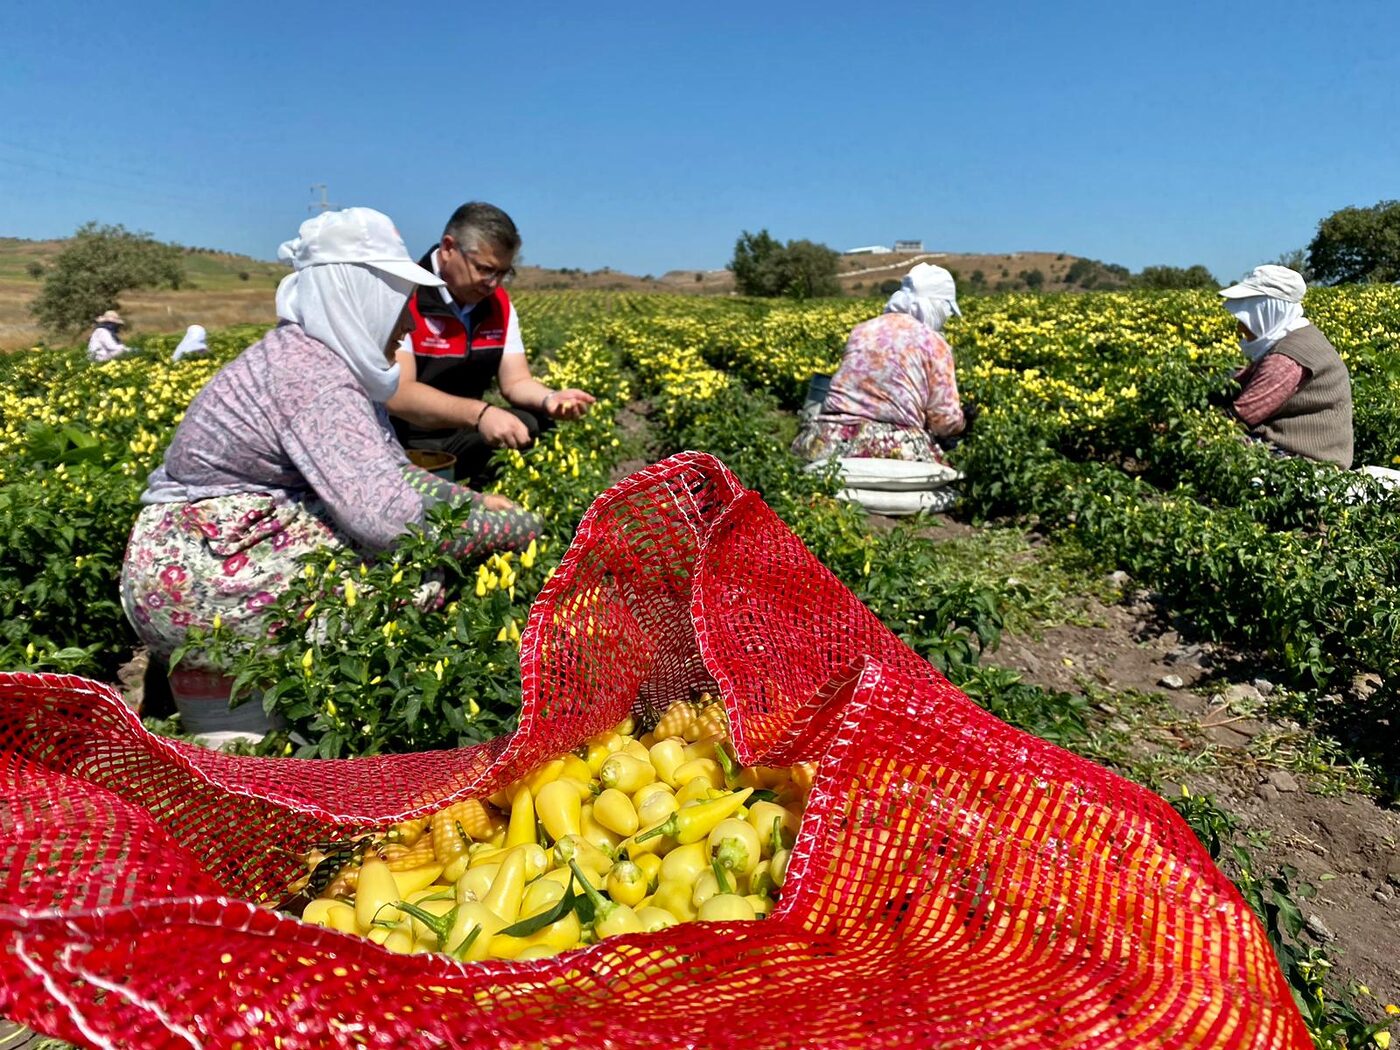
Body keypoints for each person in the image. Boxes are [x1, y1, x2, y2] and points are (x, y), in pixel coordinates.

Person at [120, 207, 542, 726]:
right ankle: (319, 717)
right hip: (197, 578)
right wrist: (506, 527)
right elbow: (389, 518)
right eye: (400, 306)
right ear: (360, 299)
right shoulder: (313, 377)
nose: (409, 325)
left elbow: (386, 469)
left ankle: (215, 696)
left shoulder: (316, 358)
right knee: (413, 570)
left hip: (201, 557)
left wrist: (475, 503)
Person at [387, 201, 596, 486]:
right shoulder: (404, 293)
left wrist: (551, 399)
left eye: (503, 272)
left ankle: (492, 498)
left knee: (534, 424)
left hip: (460, 430)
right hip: (406, 435)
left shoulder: (498, 305)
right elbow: (399, 394)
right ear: (448, 248)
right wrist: (480, 414)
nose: (493, 284)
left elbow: (516, 381)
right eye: (485, 269)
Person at [792, 262, 969, 464]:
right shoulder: (933, 343)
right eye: (947, 310)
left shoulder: (861, 330)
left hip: (827, 436)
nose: (946, 318)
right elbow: (945, 421)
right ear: (936, 306)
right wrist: (964, 423)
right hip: (890, 444)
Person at [1218, 264, 1353, 469]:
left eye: (1246, 318)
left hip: (1307, 458)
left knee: (1211, 445)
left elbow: (1241, 415)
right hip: (1314, 450)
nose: (1240, 327)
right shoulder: (1298, 335)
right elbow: (1247, 379)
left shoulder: (1287, 357)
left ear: (1266, 312)